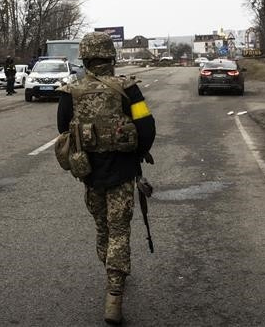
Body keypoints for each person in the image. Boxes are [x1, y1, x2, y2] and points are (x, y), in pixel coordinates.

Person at [56, 32, 156, 325]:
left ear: (85, 59)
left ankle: (112, 273)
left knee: (103, 229)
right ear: (111, 57)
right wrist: (137, 152)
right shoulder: (128, 90)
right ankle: (115, 293)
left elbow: (64, 130)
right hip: (123, 172)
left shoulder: (70, 92)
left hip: (90, 175)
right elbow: (146, 127)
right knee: (120, 231)